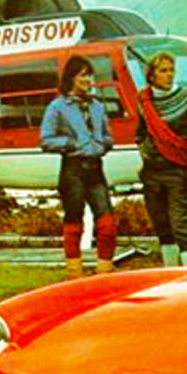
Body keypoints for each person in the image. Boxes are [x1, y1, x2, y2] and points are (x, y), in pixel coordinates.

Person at [40, 55, 116, 276]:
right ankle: (75, 273)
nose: (88, 80)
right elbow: (46, 139)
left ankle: (104, 271)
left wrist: (104, 144)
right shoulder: (57, 106)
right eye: (83, 75)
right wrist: (71, 144)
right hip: (72, 169)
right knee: (74, 220)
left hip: (96, 168)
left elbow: (107, 134)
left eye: (90, 75)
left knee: (107, 222)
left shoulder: (97, 106)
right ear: (71, 78)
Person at [136, 51, 187, 267]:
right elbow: (140, 133)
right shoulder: (144, 100)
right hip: (151, 171)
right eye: (163, 71)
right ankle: (169, 271)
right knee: (161, 225)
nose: (169, 75)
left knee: (181, 224)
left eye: (171, 70)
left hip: (177, 170)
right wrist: (145, 153)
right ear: (152, 75)